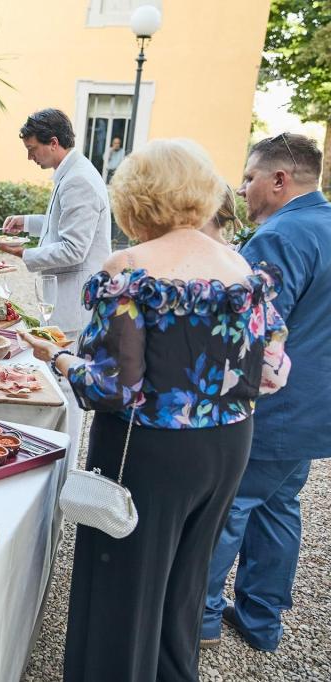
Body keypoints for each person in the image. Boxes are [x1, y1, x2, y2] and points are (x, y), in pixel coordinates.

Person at [21, 139, 290, 682]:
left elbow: (112, 389)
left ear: (136, 197)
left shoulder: (129, 267)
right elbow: (272, 372)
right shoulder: (239, 265)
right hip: (228, 446)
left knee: (124, 585)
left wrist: (59, 358)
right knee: (185, 585)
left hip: (149, 451)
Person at [202, 133, 330, 652]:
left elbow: (251, 332)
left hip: (274, 407)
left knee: (230, 506)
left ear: (279, 180)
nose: (242, 190)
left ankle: (200, 617)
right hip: (316, 407)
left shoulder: (279, 237)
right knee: (279, 506)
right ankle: (261, 621)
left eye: (249, 178)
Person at [0, 108, 111, 336]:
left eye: (32, 149)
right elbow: (65, 223)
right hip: (71, 301)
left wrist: (23, 253)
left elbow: (74, 249)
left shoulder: (78, 179)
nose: (29, 157)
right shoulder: (73, 171)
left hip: (75, 306)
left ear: (53, 142)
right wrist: (26, 223)